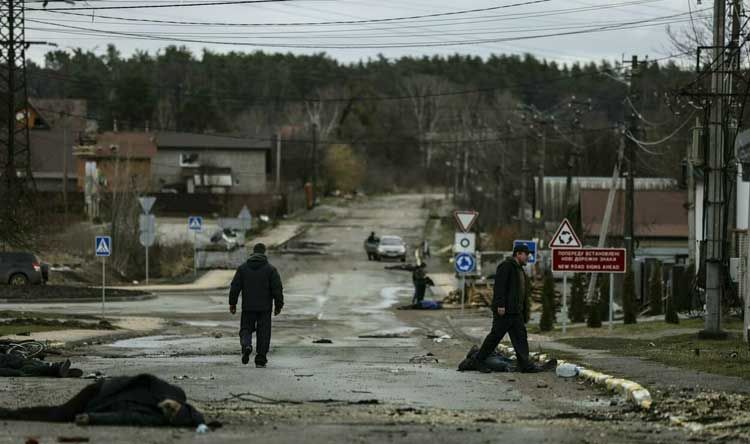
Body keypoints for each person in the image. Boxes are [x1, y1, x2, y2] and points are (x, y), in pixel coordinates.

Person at [0, 374, 206, 427]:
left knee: (60, 414)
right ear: (181, 405)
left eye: (171, 413)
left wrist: (92, 418)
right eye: (174, 408)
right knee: (60, 414)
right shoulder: (173, 392)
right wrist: (165, 398)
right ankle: (10, 414)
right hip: (102, 391)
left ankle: (10, 414)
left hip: (100, 401)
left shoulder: (159, 418)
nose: (169, 409)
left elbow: (126, 418)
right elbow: (147, 378)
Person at [471, 244, 541, 373]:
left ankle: (525, 365)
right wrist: (500, 305)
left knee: (520, 337)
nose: (528, 257)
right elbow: (499, 287)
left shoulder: (519, 269)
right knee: (495, 337)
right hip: (505, 311)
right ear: (518, 254)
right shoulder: (506, 266)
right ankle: (478, 360)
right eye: (526, 254)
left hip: (515, 311)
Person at [229, 243, 284, 368]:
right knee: (264, 332)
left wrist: (232, 303)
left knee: (245, 328)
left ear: (253, 253)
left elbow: (235, 287)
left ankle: (246, 345)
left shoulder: (243, 268)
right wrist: (278, 305)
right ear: (264, 253)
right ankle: (260, 359)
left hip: (248, 307)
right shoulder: (270, 269)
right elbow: (277, 289)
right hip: (265, 308)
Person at [0, 355, 81, 378]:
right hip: (20, 365)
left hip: (21, 362)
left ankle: (59, 370)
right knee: (31, 369)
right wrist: (17, 373)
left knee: (37, 367)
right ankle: (58, 369)